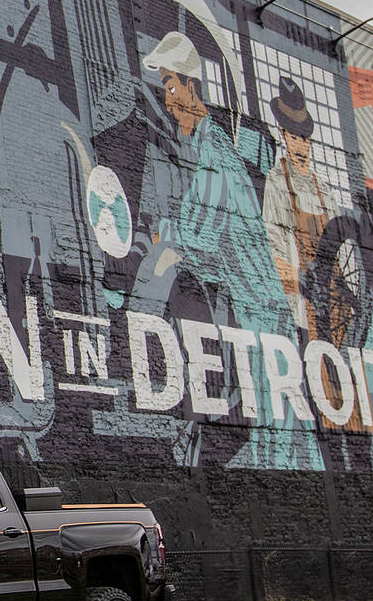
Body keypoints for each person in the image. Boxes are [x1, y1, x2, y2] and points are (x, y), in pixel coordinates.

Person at [141, 32, 321, 470]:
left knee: (282, 431)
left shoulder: (215, 152)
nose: (167, 101)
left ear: (191, 88)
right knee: (281, 426)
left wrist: (161, 237)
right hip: (256, 314)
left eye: (169, 87)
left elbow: (197, 231)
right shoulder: (209, 148)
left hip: (264, 316)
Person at [262, 78, 334, 335]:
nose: (301, 146)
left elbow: (343, 252)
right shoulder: (277, 180)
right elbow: (274, 249)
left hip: (332, 310)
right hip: (299, 308)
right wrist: (301, 282)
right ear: (283, 136)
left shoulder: (324, 190)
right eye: (294, 137)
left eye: (305, 138)